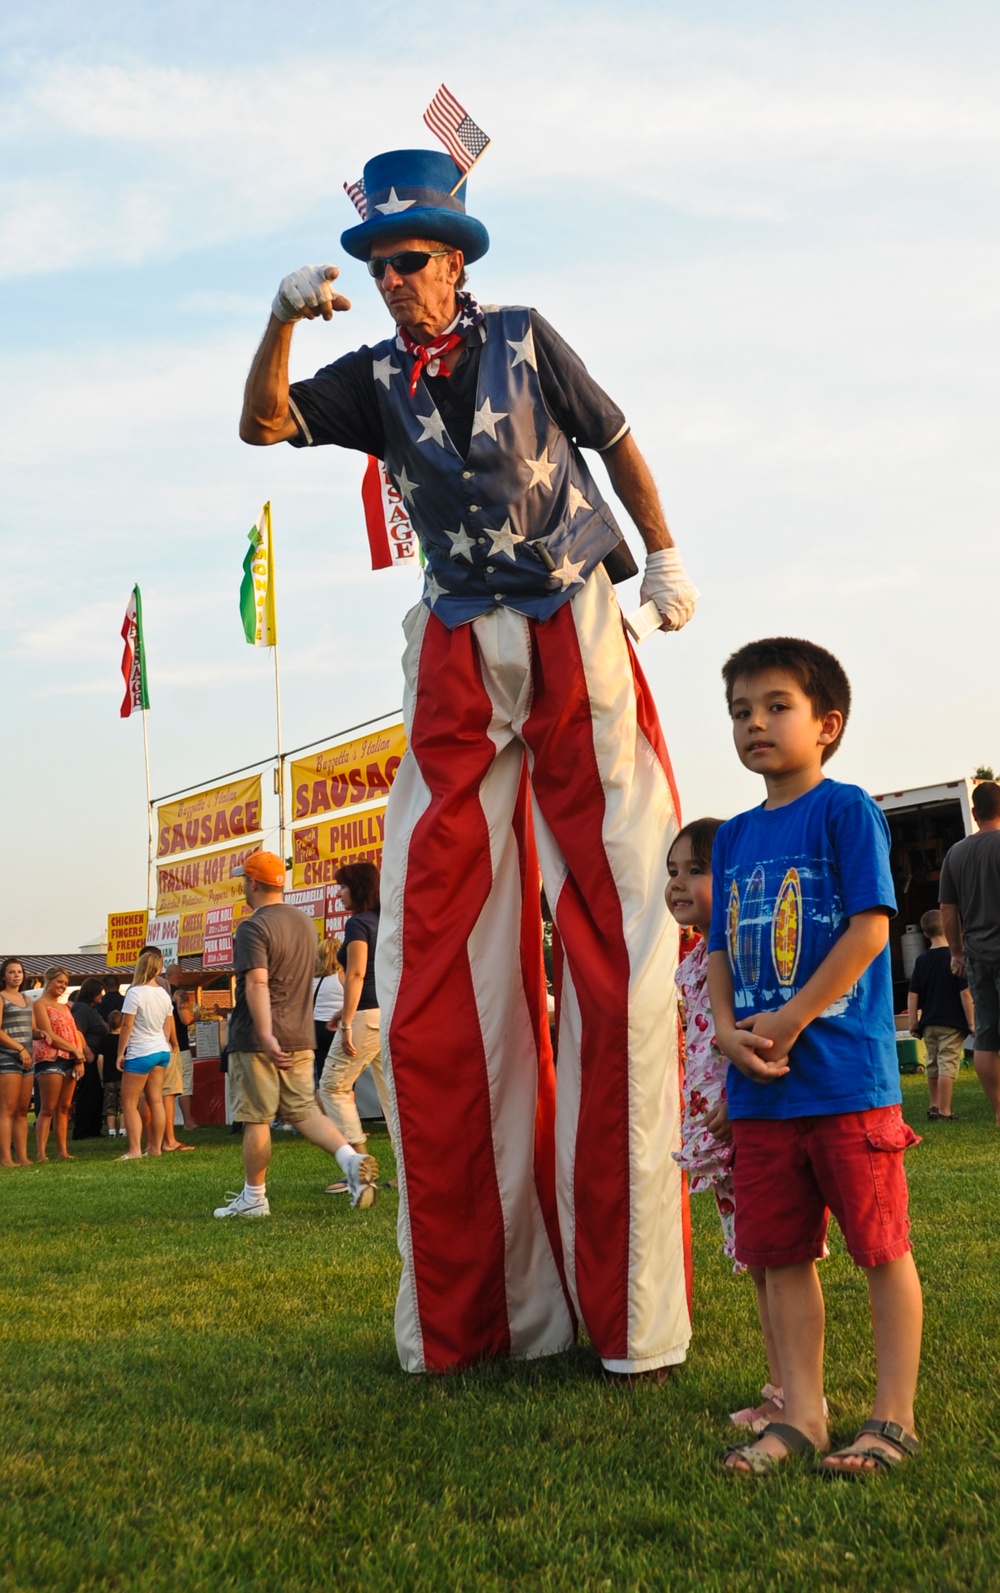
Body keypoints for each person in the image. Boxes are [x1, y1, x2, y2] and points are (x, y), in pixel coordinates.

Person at [239, 146, 699, 1378]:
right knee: (435, 949)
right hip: (454, 637)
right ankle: (482, 1308)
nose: (390, 282)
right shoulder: (373, 376)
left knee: (618, 930)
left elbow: (619, 440)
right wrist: (278, 323)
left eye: (408, 262)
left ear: (455, 259)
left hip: (565, 617)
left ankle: (634, 1305)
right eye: (374, 266)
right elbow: (262, 425)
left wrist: (660, 554)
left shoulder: (527, 338)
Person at [706, 637, 923, 1477]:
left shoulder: (845, 809)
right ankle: (801, 1412)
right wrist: (727, 1030)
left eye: (775, 705)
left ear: (827, 724)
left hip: (842, 1079)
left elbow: (872, 925)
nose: (754, 722)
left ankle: (891, 1416)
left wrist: (793, 1018)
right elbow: (721, 947)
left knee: (880, 1247)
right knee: (780, 1253)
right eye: (738, 711)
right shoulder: (732, 839)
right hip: (760, 1086)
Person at [667, 819, 787, 1434]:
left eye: (694, 870)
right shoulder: (697, 952)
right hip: (715, 1137)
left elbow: (759, 1036)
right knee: (755, 1263)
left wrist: (739, 1101)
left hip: (746, 1123)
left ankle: (793, 1392)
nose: (678, 884)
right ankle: (780, 1387)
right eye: (672, 872)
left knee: (775, 1261)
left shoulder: (742, 949)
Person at [212, 851, 379, 1217]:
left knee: (255, 1117)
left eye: (244, 879)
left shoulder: (252, 927)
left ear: (253, 883)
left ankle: (254, 1198)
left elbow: (256, 981)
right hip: (301, 1034)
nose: (242, 884)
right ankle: (351, 1161)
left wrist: (266, 1033)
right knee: (304, 1111)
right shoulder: (305, 923)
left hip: (257, 1038)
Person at [319, 864, 395, 1190]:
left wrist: (347, 1022)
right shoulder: (387, 921)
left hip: (364, 1017)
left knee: (332, 1087)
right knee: (392, 1099)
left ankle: (360, 1167)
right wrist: (343, 1011)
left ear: (358, 888)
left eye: (343, 887)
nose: (339, 893)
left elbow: (356, 974)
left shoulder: (358, 924)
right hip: (387, 1014)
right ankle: (411, 1175)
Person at [939, 780, 1000, 1124]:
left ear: (974, 813)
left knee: (987, 1036)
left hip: (977, 955)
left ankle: (998, 1111)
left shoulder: (956, 854)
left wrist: (957, 952)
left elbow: (948, 911)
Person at [908, 908, 974, 1123]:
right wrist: (971, 1022)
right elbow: (965, 993)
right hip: (951, 1023)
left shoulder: (921, 960)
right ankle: (945, 1111)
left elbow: (913, 994)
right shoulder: (955, 958)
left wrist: (913, 1022)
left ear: (925, 934)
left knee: (932, 1063)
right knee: (947, 1063)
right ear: (948, 929)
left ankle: (933, 1105)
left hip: (929, 1023)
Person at [117, 948, 176, 1160]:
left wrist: (120, 1053)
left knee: (129, 1103)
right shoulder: (163, 994)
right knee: (156, 1100)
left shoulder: (134, 993)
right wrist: (167, 1043)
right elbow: (168, 1025)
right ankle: (155, 1148)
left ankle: (134, 1150)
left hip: (140, 1051)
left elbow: (126, 1026)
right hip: (161, 1050)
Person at [32, 966, 86, 1161]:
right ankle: (41, 1153)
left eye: (65, 983)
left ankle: (62, 1151)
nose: (62, 986)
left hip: (70, 1059)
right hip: (50, 1058)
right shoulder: (40, 1005)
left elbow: (75, 1032)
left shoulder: (65, 1007)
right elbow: (49, 1035)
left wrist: (78, 1056)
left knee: (64, 1108)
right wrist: (74, 1051)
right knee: (47, 1108)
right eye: (59, 982)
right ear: (49, 981)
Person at [0, 957, 36, 1167]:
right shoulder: (2, 998)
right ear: (4, 976)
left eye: (19, 972)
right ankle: (6, 1157)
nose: (16, 975)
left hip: (28, 1058)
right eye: (11, 972)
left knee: (23, 1110)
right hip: (8, 1057)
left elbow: (32, 1029)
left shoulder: (26, 999)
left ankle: (22, 1156)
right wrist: (19, 1048)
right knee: (8, 1108)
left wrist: (41, 1033)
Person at [71, 977, 108, 1140]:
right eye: (100, 992)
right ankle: (83, 1129)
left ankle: (94, 1128)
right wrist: (88, 1054)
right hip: (89, 1059)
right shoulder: (82, 1009)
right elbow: (77, 1031)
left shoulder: (91, 1009)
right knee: (87, 1094)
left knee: (96, 1094)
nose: (102, 995)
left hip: (97, 1058)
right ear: (92, 992)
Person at [166, 970, 198, 1130]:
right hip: (181, 1045)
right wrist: (197, 1016)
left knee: (164, 1087)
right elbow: (186, 1019)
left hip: (162, 1046)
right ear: (180, 977)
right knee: (184, 1085)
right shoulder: (179, 994)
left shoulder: (158, 993)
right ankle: (188, 1122)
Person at [311, 939, 343, 1092]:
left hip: (315, 1028)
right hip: (336, 1027)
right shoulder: (343, 977)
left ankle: (324, 1111)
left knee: (322, 1076)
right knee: (344, 1080)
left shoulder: (313, 979)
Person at [98, 1011, 125, 1136]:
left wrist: (101, 1077)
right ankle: (123, 1130)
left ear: (108, 1024)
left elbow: (100, 1059)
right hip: (123, 1077)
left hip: (109, 1078)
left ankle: (112, 1131)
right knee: (124, 1105)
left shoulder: (104, 1040)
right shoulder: (125, 1040)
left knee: (110, 1107)